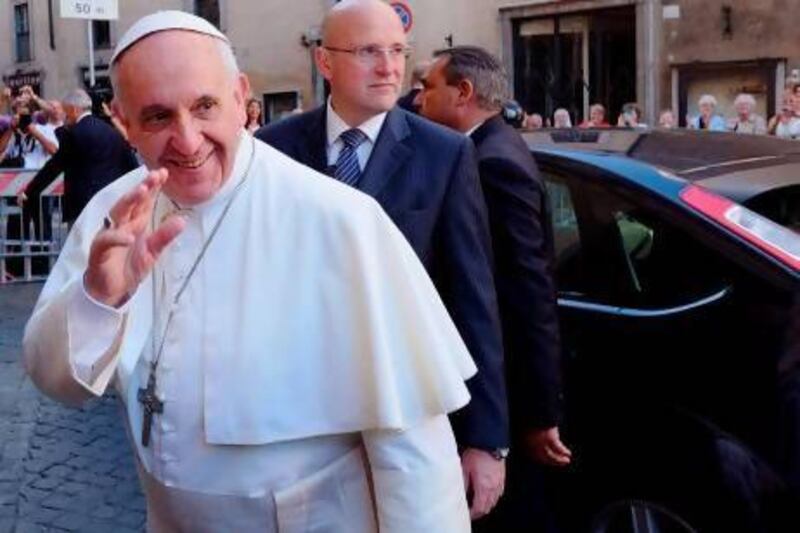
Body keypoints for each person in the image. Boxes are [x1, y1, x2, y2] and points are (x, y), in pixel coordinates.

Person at [24, 11, 476, 532]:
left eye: (205, 106)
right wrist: (97, 300)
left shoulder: (339, 220)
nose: (188, 141)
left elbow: (415, 453)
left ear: (241, 98)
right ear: (123, 122)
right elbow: (57, 382)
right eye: (156, 117)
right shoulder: (114, 212)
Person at [257, 0, 508, 521]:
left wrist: (486, 440)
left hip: (403, 416)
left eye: (397, 50)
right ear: (325, 63)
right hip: (296, 421)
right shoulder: (272, 151)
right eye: (369, 51)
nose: (390, 67)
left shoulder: (443, 154)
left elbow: (473, 300)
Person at [416, 44, 571, 533]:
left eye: (427, 88)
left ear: (462, 93)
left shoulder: (491, 161)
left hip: (505, 393)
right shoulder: (495, 143)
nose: (418, 101)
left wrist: (540, 411)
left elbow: (527, 290)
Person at [19, 89, 137, 227]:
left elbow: (54, 167)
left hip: (83, 209)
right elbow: (131, 165)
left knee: (80, 248)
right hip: (111, 207)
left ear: (74, 110)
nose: (64, 116)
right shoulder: (111, 132)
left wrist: (30, 191)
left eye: (65, 111)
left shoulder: (73, 134)